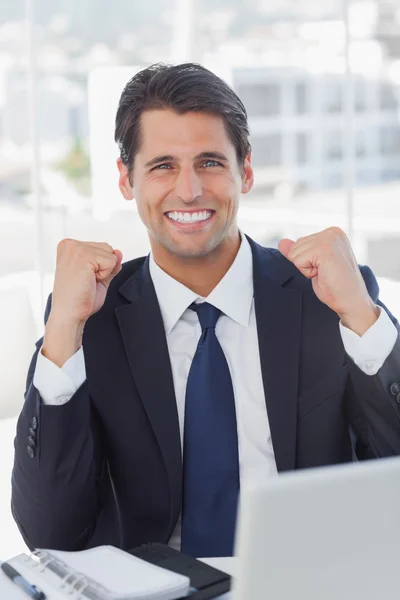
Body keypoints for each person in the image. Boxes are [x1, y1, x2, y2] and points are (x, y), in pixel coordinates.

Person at [12, 63, 400, 558]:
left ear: (247, 171)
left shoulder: (326, 295)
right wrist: (63, 332)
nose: (190, 190)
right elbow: (50, 533)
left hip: (305, 581)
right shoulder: (91, 320)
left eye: (211, 162)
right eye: (163, 166)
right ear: (126, 180)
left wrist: (363, 320)